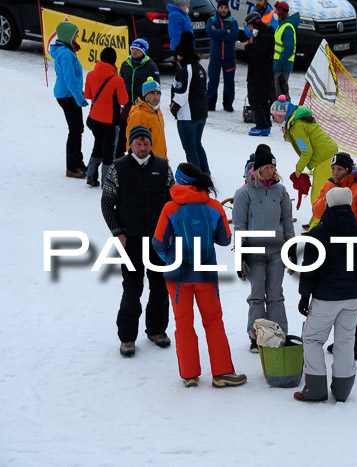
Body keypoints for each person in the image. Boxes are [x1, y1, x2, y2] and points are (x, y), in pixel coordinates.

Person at [152, 163, 247, 389]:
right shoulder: (213, 206)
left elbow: (157, 242)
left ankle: (189, 375)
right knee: (213, 321)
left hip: (176, 275)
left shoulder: (170, 208)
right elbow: (224, 239)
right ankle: (222, 372)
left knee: (183, 324)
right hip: (205, 272)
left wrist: (171, 257)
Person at [295, 187, 357, 402]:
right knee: (345, 340)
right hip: (354, 296)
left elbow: (310, 267)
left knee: (312, 339)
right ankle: (342, 390)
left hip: (326, 297)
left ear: (328, 204)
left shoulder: (318, 233)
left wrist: (304, 295)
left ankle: (315, 388)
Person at [101, 125, 173, 357]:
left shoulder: (162, 166)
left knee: (160, 287)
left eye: (146, 143)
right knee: (132, 288)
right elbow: (107, 203)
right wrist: (118, 232)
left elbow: (173, 202)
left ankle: (156, 330)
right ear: (130, 144)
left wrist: (170, 232)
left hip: (159, 240)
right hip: (130, 240)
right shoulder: (118, 167)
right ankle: (127, 337)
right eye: (138, 143)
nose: (142, 148)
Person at [232, 145, 295, 351]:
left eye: (273, 167)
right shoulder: (244, 193)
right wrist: (239, 255)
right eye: (267, 167)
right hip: (254, 252)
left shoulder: (280, 190)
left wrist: (291, 247)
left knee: (276, 295)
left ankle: (278, 334)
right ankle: (257, 335)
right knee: (257, 295)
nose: (272, 171)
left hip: (277, 252)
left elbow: (287, 221)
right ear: (258, 169)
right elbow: (239, 226)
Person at [312, 152, 357, 360]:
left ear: (348, 170)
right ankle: (343, 341)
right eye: (333, 169)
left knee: (351, 297)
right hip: (332, 248)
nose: (335, 173)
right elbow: (317, 212)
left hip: (351, 248)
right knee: (337, 297)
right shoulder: (330, 186)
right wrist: (329, 193)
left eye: (339, 169)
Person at [270, 95, 337, 230]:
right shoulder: (295, 119)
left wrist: (298, 171)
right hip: (324, 155)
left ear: (282, 115)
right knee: (320, 193)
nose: (274, 119)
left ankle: (318, 227)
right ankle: (316, 222)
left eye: (275, 116)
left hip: (323, 158)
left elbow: (307, 151)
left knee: (318, 196)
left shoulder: (296, 126)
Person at [84, 47, 129, 187]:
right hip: (111, 121)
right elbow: (123, 101)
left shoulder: (91, 75)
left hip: (95, 118)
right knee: (109, 150)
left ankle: (90, 175)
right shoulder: (117, 80)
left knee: (98, 145)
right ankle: (107, 181)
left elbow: (88, 95)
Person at [49, 21, 88, 179]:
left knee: (77, 129)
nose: (77, 36)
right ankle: (72, 167)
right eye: (75, 34)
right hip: (67, 96)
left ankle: (78, 162)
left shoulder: (67, 50)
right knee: (75, 130)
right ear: (67, 36)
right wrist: (80, 99)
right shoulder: (66, 54)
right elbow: (70, 79)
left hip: (69, 95)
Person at [171, 31, 210, 174]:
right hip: (201, 114)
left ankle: (197, 177)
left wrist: (173, 109)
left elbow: (181, 95)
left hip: (188, 116)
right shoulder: (200, 67)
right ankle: (205, 173)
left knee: (190, 148)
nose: (177, 57)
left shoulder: (185, 71)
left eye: (178, 55)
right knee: (197, 145)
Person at [117, 38, 160, 158]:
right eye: (132, 49)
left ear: (143, 51)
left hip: (142, 106)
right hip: (126, 105)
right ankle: (120, 157)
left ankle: (144, 156)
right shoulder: (125, 64)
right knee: (123, 131)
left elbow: (156, 88)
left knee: (141, 133)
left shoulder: (151, 66)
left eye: (137, 49)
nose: (134, 52)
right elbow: (121, 82)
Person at [243, 12, 275, 136]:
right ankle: (266, 124)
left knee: (255, 100)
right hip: (261, 73)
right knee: (262, 100)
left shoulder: (264, 36)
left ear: (255, 24)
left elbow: (258, 54)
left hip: (259, 74)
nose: (249, 29)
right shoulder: (264, 34)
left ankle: (261, 126)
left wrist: (247, 47)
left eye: (250, 26)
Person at [206, 0, 238, 112]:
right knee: (213, 81)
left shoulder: (233, 21)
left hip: (229, 58)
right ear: (218, 8)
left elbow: (233, 36)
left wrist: (218, 33)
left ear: (228, 9)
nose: (223, 9)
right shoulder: (212, 20)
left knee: (229, 82)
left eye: (225, 7)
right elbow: (210, 33)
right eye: (221, 7)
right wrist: (225, 31)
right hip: (215, 57)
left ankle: (228, 103)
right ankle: (210, 103)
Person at [126, 77, 168, 161]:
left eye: (158, 93)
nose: (156, 97)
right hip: (147, 163)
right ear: (145, 95)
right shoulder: (138, 114)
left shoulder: (157, 111)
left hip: (161, 160)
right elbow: (131, 142)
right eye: (152, 93)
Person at [272, 1, 299, 101]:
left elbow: (289, 48)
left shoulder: (287, 28)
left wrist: (280, 60)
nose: (275, 13)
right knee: (279, 91)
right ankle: (281, 114)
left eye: (276, 11)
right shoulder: (281, 26)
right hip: (279, 64)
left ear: (281, 13)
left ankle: (286, 113)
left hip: (282, 65)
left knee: (282, 91)